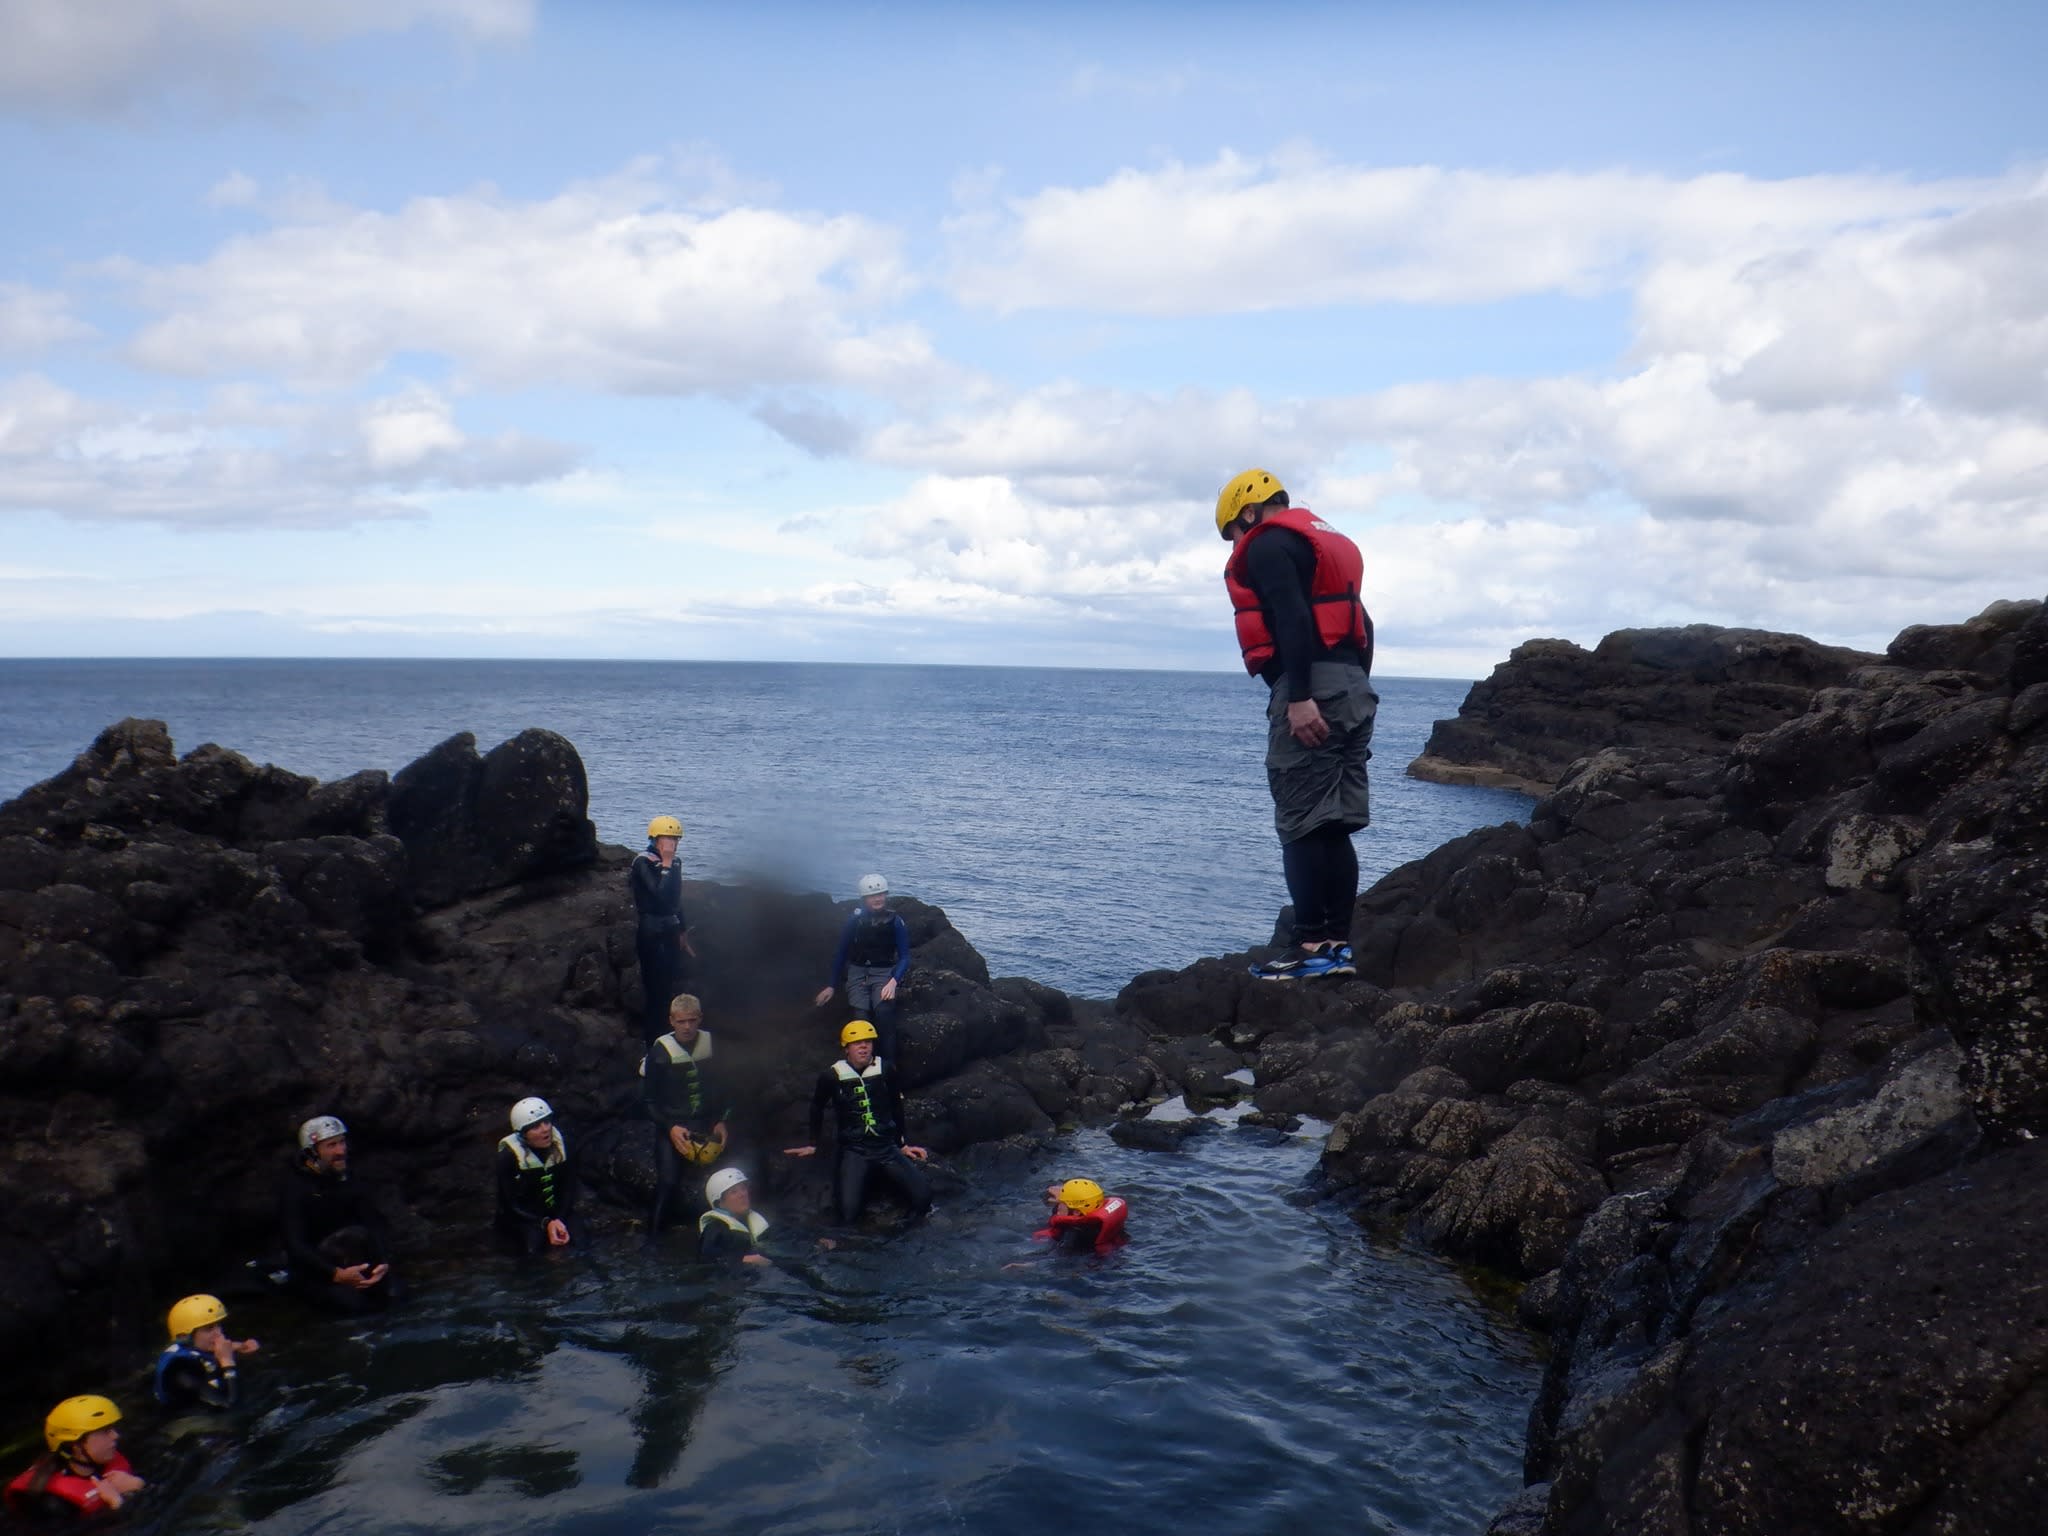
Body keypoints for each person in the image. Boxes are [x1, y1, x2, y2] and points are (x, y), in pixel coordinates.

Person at [1217, 468, 1377, 981]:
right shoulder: (1322, 544)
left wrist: (1304, 696)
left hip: (1313, 687)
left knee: (1301, 823)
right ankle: (1335, 948)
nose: (1237, 545)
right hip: (1353, 686)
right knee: (1332, 824)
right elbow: (1362, 625)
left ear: (1249, 512)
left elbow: (1291, 617)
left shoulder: (1268, 545)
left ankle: (1309, 945)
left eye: (1233, 534)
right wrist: (1352, 699)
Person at [783, 1020, 931, 1225]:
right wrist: (813, 1143)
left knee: (924, 1197)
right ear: (846, 1048)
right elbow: (816, 1106)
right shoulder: (831, 1076)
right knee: (848, 1213)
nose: (864, 1046)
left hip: (885, 1147)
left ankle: (905, 1232)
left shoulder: (885, 1069)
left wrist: (903, 1144)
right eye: (857, 1043)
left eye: (868, 1042)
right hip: (855, 1150)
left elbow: (896, 1106)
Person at [279, 1115, 400, 1314]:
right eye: (332, 1145)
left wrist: (382, 1262)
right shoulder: (296, 1189)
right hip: (321, 1270)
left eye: (342, 1142)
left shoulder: (350, 1179)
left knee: (396, 1296)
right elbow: (295, 1245)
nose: (341, 1151)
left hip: (358, 1260)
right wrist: (336, 1274)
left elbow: (375, 1222)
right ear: (312, 1152)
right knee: (355, 1308)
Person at [644, 995, 731, 1238]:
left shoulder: (712, 1045)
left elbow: (725, 1087)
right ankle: (654, 1239)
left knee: (732, 1176)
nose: (687, 1027)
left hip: (706, 1122)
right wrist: (670, 1127)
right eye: (681, 1021)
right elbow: (649, 1101)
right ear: (671, 1021)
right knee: (669, 1182)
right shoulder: (659, 1053)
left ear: (700, 1019)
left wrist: (721, 1120)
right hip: (673, 1125)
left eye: (692, 1021)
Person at [814, 874, 912, 1062]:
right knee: (861, 1020)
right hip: (858, 973)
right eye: (872, 895)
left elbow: (905, 957)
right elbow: (841, 953)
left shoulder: (895, 921)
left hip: (883, 973)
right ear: (864, 898)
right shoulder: (855, 920)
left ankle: (888, 1068)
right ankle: (863, 1065)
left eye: (881, 894)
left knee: (884, 1014)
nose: (878, 899)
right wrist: (832, 986)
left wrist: (893, 982)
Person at [5, 1396, 145, 1519]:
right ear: (76, 1445)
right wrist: (118, 1504)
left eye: (113, 1429)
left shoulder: (108, 1459)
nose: (116, 1436)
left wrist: (139, 1485)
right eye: (105, 1431)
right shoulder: (53, 1503)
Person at [631, 815, 695, 1043]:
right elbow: (658, 895)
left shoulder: (675, 862)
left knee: (669, 984)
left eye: (676, 839)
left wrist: (683, 931)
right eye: (668, 838)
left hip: (669, 927)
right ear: (656, 839)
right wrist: (666, 864)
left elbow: (674, 900)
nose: (673, 844)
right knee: (655, 989)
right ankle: (652, 1042)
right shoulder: (643, 862)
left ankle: (669, 1035)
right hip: (651, 928)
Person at [495, 1096, 578, 1255]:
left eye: (546, 1122)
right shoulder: (508, 1157)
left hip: (557, 1212)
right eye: (535, 1127)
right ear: (523, 1134)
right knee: (533, 1248)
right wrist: (545, 1223)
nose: (545, 1129)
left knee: (579, 1240)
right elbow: (509, 1203)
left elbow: (570, 1186)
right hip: (524, 1217)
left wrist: (559, 1219)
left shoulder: (564, 1145)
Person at [154, 1295, 260, 1412]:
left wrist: (240, 1346)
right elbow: (232, 1407)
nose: (219, 1334)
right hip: (192, 1423)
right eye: (209, 1328)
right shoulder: (181, 1372)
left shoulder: (194, 1348)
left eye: (218, 1325)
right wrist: (227, 1362)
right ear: (185, 1336)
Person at [1035, 1178, 1129, 1254]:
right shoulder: (1097, 1225)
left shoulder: (1072, 1236)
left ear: (1076, 1212)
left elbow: (1051, 1260)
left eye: (1062, 1203)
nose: (1058, 1206)